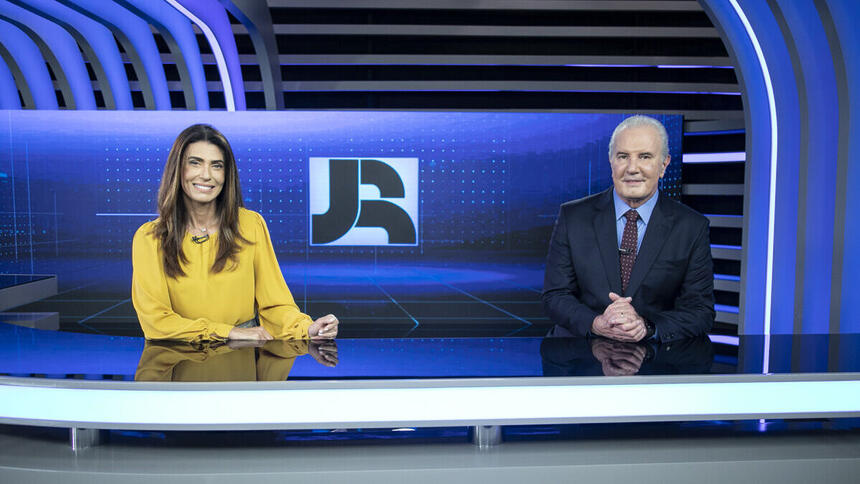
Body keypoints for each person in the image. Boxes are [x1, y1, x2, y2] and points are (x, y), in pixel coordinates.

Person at [132, 124, 338, 342]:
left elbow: (275, 306)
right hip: (178, 361)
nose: (206, 175)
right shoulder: (149, 238)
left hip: (241, 358)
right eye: (195, 163)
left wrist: (307, 328)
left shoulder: (251, 225)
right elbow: (156, 323)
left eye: (217, 166)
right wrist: (227, 332)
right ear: (177, 169)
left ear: (226, 174)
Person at [541, 115, 714, 343]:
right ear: (611, 162)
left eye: (645, 156)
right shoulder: (573, 217)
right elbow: (555, 296)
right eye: (623, 156)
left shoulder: (692, 227)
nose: (632, 168)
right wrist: (597, 324)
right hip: (580, 352)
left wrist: (646, 327)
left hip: (654, 359)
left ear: (663, 165)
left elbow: (700, 311)